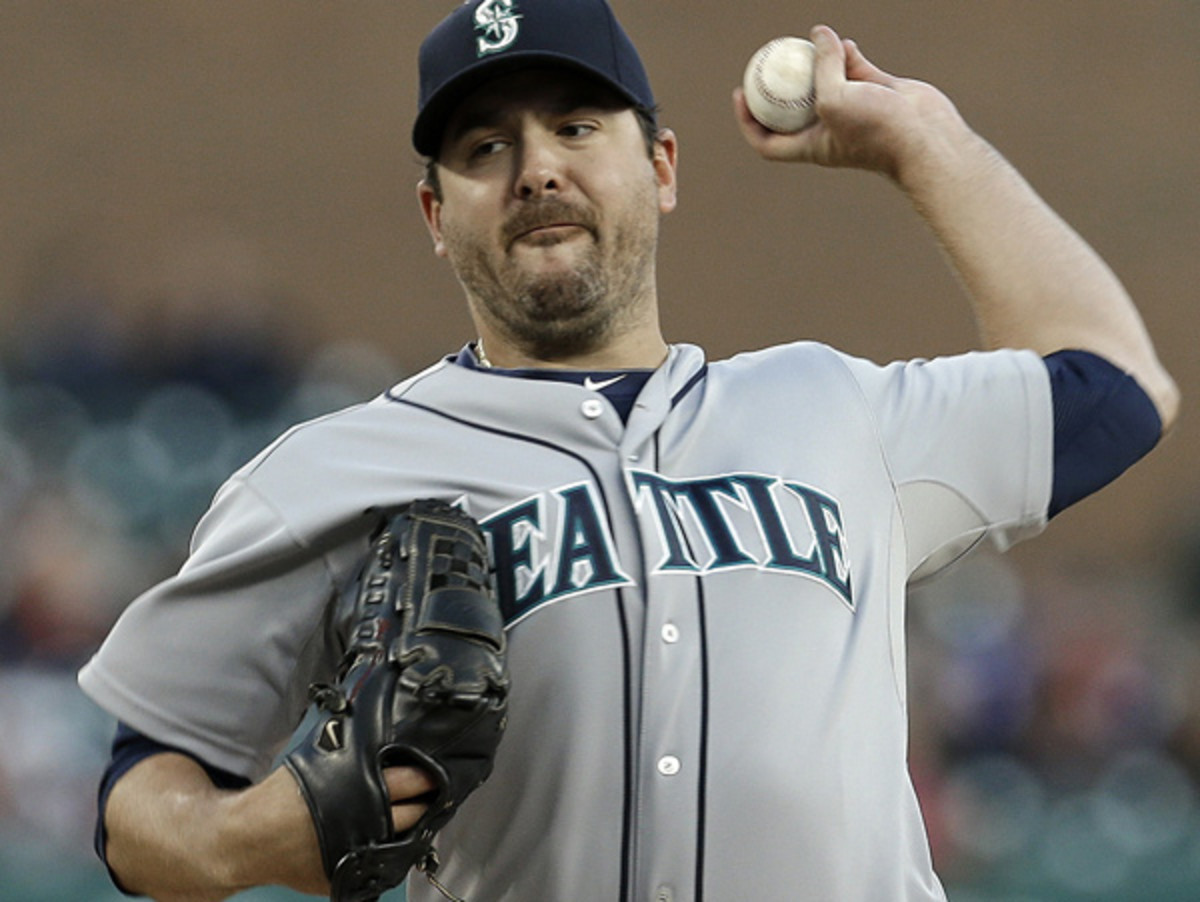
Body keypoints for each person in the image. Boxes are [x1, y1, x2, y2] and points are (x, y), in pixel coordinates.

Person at [78, 1, 1180, 900]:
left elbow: (1119, 387)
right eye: (484, 146)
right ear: (433, 211)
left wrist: (929, 146)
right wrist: (245, 839)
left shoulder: (834, 407)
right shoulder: (330, 474)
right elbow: (141, 792)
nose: (536, 167)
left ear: (659, 165)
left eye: (574, 127)